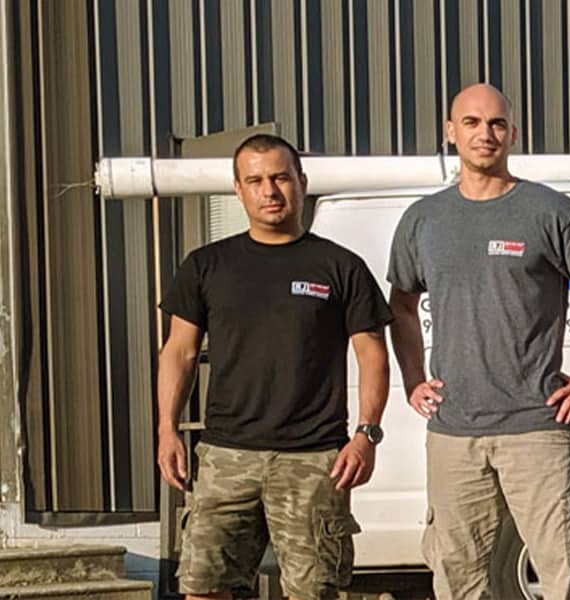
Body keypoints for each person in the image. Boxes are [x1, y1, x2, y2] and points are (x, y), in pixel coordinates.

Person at [387, 83, 570, 600]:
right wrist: (412, 379)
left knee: (564, 574)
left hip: (536, 428)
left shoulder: (549, 211)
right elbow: (401, 307)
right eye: (471, 123)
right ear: (450, 132)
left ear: (513, 134)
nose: (485, 133)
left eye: (496, 123)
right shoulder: (423, 221)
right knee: (457, 576)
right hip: (453, 430)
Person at [156, 133, 393, 600]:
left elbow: (373, 356)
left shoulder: (340, 266)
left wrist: (367, 434)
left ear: (301, 183)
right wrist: (166, 429)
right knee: (203, 588)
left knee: (313, 591)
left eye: (281, 177)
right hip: (226, 456)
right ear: (238, 189)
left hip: (314, 459)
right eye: (256, 180)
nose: (270, 190)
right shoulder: (206, 265)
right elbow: (178, 352)